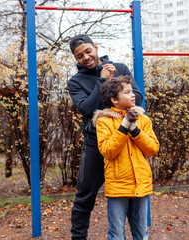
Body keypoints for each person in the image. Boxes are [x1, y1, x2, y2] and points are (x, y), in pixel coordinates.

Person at [67, 34, 143, 240]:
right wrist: (102, 80)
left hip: (124, 140)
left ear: (96, 48)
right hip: (95, 144)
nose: (86, 57)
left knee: (133, 195)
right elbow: (87, 109)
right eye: (79, 55)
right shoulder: (75, 82)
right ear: (76, 59)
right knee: (84, 197)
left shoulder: (120, 69)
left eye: (88, 51)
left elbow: (137, 97)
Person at [93, 75, 159, 240]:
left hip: (140, 184)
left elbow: (152, 149)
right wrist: (124, 127)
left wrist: (135, 130)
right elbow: (108, 151)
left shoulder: (143, 120)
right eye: (127, 92)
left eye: (132, 91)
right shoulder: (104, 122)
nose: (133, 95)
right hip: (118, 186)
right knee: (116, 234)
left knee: (141, 233)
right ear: (115, 99)